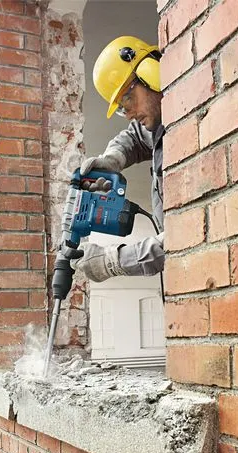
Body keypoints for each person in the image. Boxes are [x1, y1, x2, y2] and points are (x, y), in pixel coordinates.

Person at [71, 36, 166, 283]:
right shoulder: (160, 126)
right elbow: (134, 137)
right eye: (122, 109)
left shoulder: (193, 129)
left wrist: (114, 261)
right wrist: (112, 159)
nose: (129, 115)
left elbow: (188, 237)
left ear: (151, 74)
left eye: (127, 99)